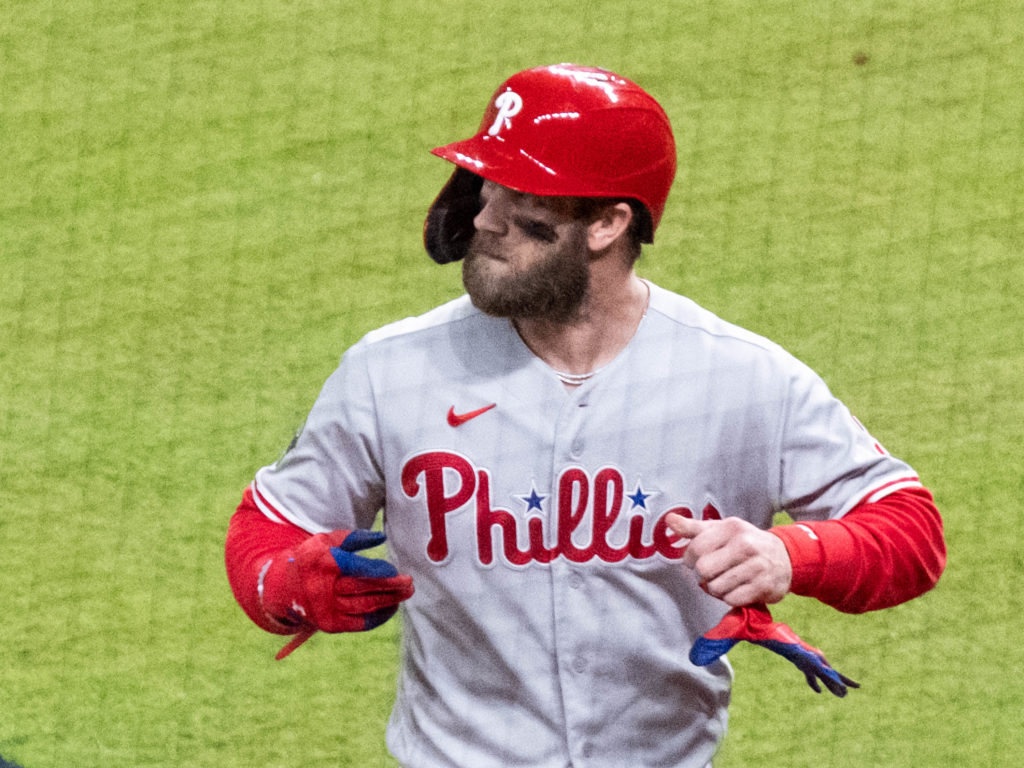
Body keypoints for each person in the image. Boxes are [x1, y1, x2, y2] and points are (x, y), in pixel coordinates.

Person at [225, 64, 946, 768]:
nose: (484, 219)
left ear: (607, 222)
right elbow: (267, 527)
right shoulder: (393, 372)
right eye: (486, 188)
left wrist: (793, 554)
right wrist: (287, 581)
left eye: (523, 201)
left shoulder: (740, 377)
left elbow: (910, 531)